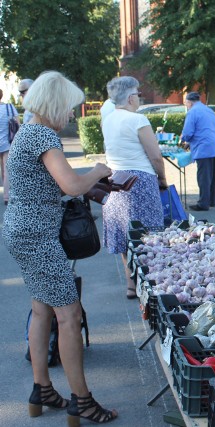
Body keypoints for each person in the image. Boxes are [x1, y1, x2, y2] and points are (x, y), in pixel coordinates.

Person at [2, 71, 117, 424]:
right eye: (69, 108)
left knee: (42, 311)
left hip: (21, 230)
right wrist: (98, 171)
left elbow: (50, 181)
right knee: (68, 317)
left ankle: (43, 390)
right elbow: (70, 185)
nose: (71, 114)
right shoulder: (43, 136)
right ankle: (81, 400)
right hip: (38, 236)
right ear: (54, 104)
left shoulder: (28, 132)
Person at [101, 76, 167, 299]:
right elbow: (155, 156)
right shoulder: (138, 120)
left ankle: (132, 283)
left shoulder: (107, 119)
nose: (139, 98)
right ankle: (149, 282)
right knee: (148, 233)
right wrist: (163, 179)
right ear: (130, 98)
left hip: (116, 180)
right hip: (140, 181)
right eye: (138, 94)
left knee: (123, 234)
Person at [180, 91, 215, 211]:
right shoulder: (208, 110)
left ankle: (203, 203)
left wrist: (184, 140)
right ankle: (211, 200)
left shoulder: (192, 112)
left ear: (189, 102)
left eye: (186, 103)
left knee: (204, 176)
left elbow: (188, 133)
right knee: (213, 175)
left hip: (204, 147)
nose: (186, 105)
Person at [0, 88, 20, 205]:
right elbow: (18, 124)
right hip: (8, 143)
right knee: (7, 170)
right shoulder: (9, 107)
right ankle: (6, 197)